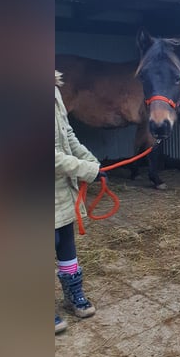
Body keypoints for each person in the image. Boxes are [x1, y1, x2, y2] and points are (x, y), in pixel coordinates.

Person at [54, 71, 105, 333]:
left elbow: (68, 136)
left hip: (60, 189)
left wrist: (93, 162)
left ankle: (72, 293)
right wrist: (87, 169)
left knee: (65, 242)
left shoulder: (53, 90)